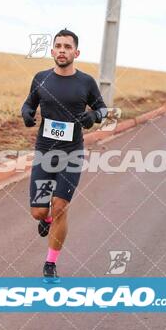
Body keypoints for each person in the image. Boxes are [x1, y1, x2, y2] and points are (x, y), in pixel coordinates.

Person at [21, 28, 107, 283]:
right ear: (52, 51)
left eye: (67, 47)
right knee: (38, 212)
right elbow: (28, 104)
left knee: (60, 207)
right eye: (58, 46)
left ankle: (50, 264)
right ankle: (45, 219)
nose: (62, 50)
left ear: (76, 52)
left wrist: (94, 116)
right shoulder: (41, 79)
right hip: (45, 152)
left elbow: (103, 108)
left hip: (71, 153)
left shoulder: (86, 82)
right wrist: (26, 113)